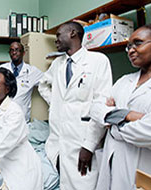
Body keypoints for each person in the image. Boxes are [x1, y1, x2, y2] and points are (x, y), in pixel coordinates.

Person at [90, 24, 151, 190]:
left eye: (138, 43)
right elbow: (95, 107)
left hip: (149, 170)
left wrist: (114, 126)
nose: (130, 50)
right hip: (115, 166)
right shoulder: (124, 81)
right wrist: (127, 115)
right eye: (128, 46)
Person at [38, 22, 113, 189]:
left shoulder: (98, 61)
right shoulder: (58, 63)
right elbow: (42, 84)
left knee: (83, 184)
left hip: (82, 140)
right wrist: (55, 103)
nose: (55, 40)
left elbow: (101, 105)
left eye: (58, 35)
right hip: (58, 141)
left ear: (73, 33)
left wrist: (89, 146)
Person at [0, 42, 43, 122]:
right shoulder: (1, 69)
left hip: (22, 119)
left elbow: (48, 81)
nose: (14, 52)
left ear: (23, 53)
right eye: (11, 50)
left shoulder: (32, 71)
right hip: (2, 118)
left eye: (17, 50)